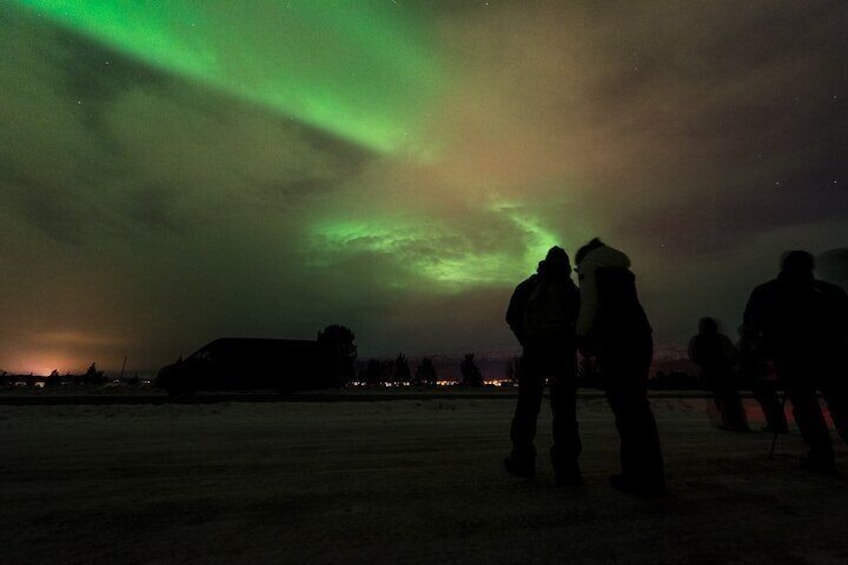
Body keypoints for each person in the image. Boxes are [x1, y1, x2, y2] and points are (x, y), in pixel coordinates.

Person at [574, 237, 665, 496]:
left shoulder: (591, 267)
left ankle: (636, 478)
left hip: (615, 341)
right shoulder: (623, 271)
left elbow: (589, 305)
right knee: (639, 410)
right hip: (638, 337)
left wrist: (580, 336)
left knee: (626, 412)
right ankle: (652, 477)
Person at [743, 250, 848, 474]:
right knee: (838, 405)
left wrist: (757, 350)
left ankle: (821, 456)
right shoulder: (830, 292)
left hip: (794, 360)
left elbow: (751, 328)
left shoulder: (766, 292)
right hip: (830, 358)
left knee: (807, 407)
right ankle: (820, 455)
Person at [504, 246, 582, 486]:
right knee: (565, 414)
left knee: (527, 411)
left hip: (534, 355)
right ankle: (567, 468)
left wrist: (527, 339)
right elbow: (582, 322)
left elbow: (512, 316)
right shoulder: (572, 291)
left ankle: (522, 462)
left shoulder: (529, 286)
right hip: (563, 359)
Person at [688, 317, 749, 432]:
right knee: (726, 400)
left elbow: (694, 355)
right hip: (719, 374)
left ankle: (732, 423)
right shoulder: (711, 339)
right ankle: (733, 422)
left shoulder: (705, 339)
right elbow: (695, 355)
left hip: (721, 374)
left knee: (726, 400)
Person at [738, 323, 788, 434]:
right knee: (770, 402)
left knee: (769, 402)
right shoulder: (754, 344)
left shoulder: (755, 345)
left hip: (763, 377)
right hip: (762, 377)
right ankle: (776, 424)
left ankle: (776, 425)